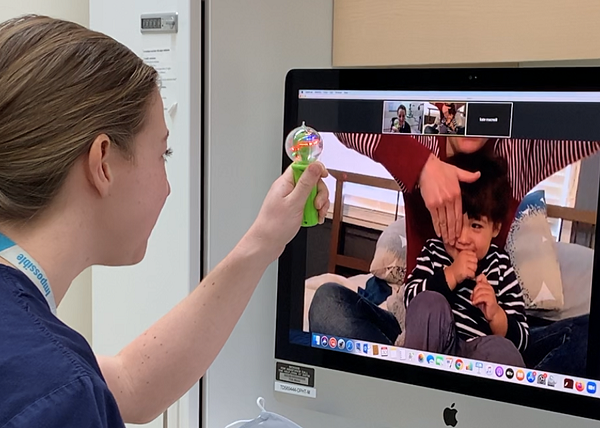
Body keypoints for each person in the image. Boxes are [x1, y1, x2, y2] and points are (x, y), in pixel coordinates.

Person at [0, 15, 330, 427]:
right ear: (102, 163)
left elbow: (126, 385)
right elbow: (76, 389)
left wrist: (265, 239)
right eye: (163, 155)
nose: (168, 188)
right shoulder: (58, 391)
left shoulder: (44, 367)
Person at [403, 152, 528, 366]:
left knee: (504, 350)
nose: (462, 238)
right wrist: (451, 274)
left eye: (476, 226)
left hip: (477, 359)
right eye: (455, 221)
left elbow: (523, 338)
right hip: (432, 351)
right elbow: (410, 299)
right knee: (427, 303)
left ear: (495, 228)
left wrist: (496, 314)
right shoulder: (434, 250)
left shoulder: (500, 265)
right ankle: (414, 383)